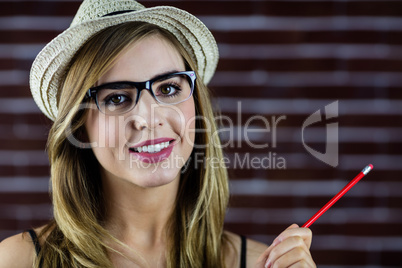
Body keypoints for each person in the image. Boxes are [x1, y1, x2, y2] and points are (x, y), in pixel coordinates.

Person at [0, 0, 316, 267]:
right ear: (79, 123)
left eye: (167, 88)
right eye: (117, 98)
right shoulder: (19, 260)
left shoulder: (260, 263)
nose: (149, 119)